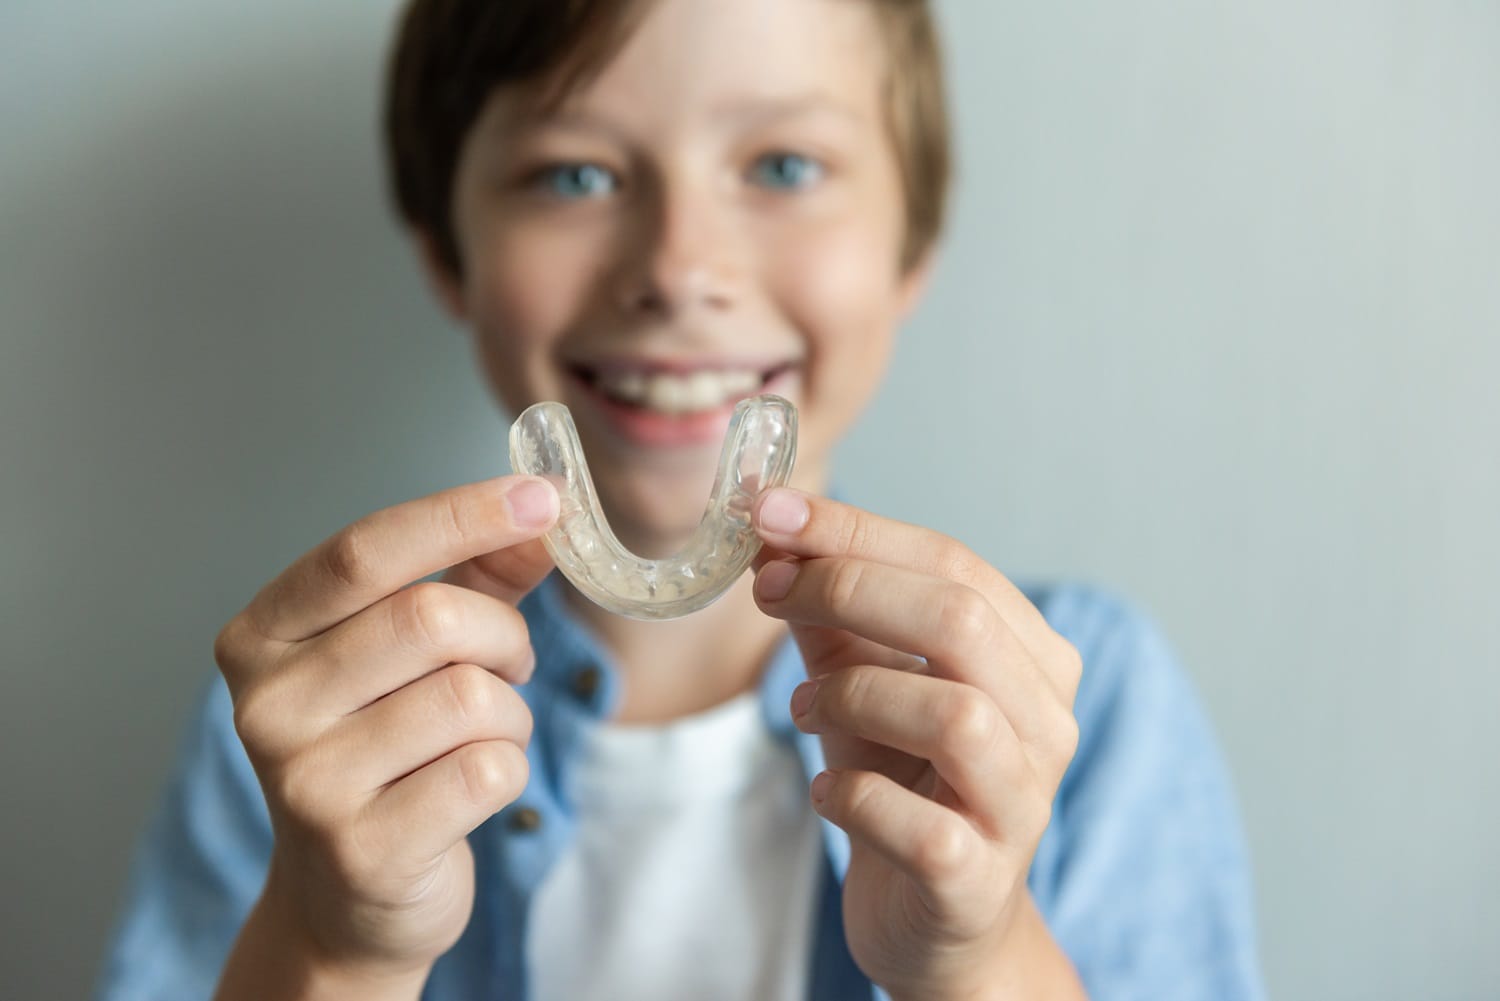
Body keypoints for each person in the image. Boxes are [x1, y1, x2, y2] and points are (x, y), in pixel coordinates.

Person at [96, 1, 1266, 998]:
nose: (676, 268)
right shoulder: (321, 726)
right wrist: (328, 947)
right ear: (448, 254)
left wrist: (982, 953)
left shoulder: (1083, 707)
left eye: (784, 166)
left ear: (909, 247)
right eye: (575, 174)